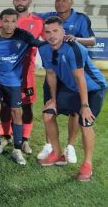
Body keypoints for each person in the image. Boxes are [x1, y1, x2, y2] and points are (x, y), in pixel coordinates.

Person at [38, 16, 106, 182]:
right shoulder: (44, 49)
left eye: (55, 31)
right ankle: (57, 154)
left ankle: (87, 164)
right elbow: (51, 75)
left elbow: (80, 78)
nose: (52, 35)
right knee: (48, 113)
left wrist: (85, 105)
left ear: (63, 32)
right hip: (71, 88)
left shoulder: (74, 48)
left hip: (93, 88)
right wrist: (53, 99)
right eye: (48, 32)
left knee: (85, 122)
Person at [35, 0, 96, 163]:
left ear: (71, 2)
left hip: (72, 72)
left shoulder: (81, 18)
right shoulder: (50, 16)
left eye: (64, 0)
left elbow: (92, 40)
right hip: (54, 71)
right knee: (49, 106)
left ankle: (70, 147)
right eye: (57, 0)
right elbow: (30, 15)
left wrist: (75, 39)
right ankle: (50, 146)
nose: (60, 3)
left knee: (75, 112)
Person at [0, 8, 41, 165]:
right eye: (6, 21)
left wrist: (60, 39)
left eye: (13, 21)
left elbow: (41, 44)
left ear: (17, 21)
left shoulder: (24, 35)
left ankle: (17, 149)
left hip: (13, 82)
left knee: (16, 112)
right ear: (0, 21)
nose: (9, 25)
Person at [0, 0, 43, 155]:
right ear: (13, 1)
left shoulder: (38, 22)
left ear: (30, 1)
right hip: (6, 73)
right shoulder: (4, 20)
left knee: (26, 106)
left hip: (27, 72)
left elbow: (46, 39)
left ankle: (24, 139)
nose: (20, 2)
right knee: (5, 105)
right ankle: (6, 136)